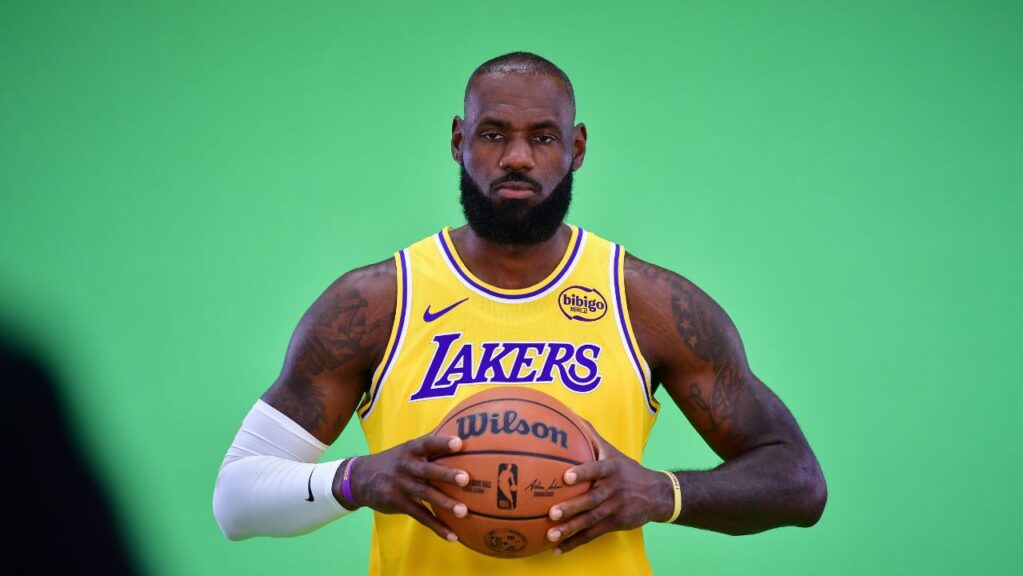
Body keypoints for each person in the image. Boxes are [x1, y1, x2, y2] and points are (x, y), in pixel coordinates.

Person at [213, 52, 827, 575]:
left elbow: (798, 480)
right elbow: (235, 500)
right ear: (458, 139)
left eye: (542, 136)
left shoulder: (646, 303)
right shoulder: (378, 303)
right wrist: (356, 479)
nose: (517, 158)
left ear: (577, 147)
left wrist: (662, 492)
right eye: (493, 133)